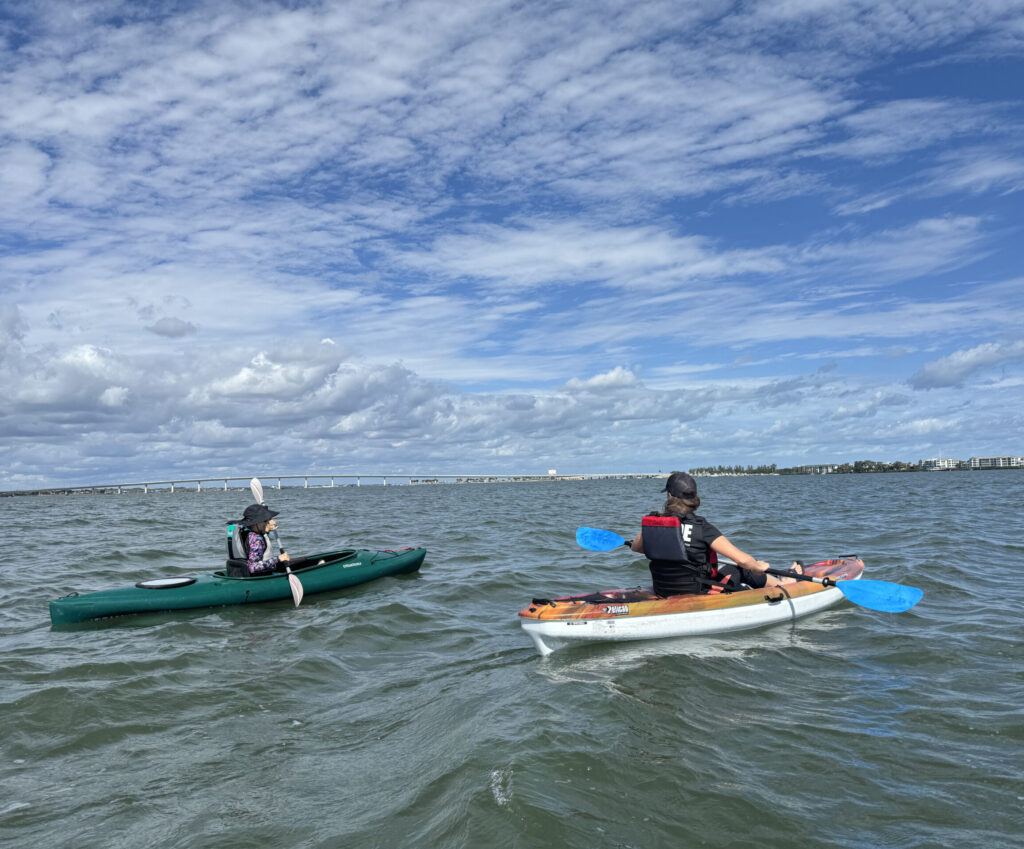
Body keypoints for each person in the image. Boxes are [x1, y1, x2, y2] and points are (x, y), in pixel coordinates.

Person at [629, 471, 801, 596]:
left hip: (664, 590)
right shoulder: (702, 527)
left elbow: (637, 548)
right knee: (742, 569)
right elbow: (742, 559)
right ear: (694, 499)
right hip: (698, 593)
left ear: (669, 496)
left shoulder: (653, 523)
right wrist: (758, 566)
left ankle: (777, 582)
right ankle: (783, 585)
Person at [229, 504, 291, 576]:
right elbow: (253, 567)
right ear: (257, 523)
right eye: (265, 521)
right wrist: (278, 559)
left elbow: (248, 547)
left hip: (237, 572)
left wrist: (266, 531)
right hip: (256, 576)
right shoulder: (256, 539)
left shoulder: (242, 532)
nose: (267, 522)